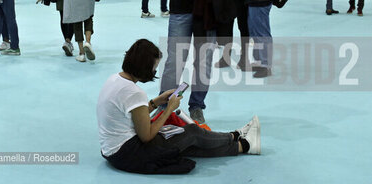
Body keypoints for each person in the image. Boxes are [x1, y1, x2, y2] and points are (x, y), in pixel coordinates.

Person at [97, 39, 261, 174]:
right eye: (153, 68)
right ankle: (235, 135)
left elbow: (132, 114)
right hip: (130, 152)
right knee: (192, 132)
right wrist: (168, 108)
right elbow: (146, 136)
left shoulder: (115, 80)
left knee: (186, 142)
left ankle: (243, 146)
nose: (154, 72)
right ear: (144, 67)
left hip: (112, 151)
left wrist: (156, 102)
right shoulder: (134, 92)